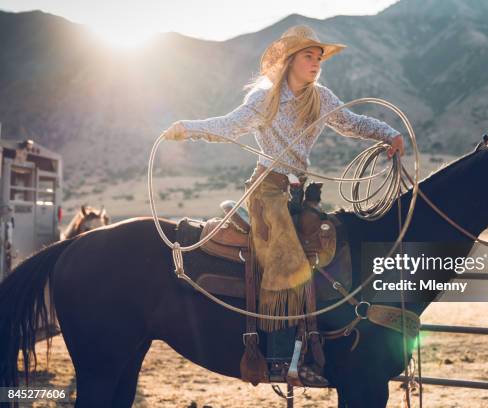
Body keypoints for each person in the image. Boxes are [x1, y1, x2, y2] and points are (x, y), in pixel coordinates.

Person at [162, 24, 405, 386]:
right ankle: (279, 359)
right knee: (287, 261)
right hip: (267, 190)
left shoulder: (320, 98)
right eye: (309, 56)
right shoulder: (265, 98)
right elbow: (230, 126)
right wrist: (187, 127)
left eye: (319, 57)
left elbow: (351, 123)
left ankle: (324, 340)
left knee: (329, 245)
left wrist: (390, 134)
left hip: (300, 192)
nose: (316, 62)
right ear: (291, 60)